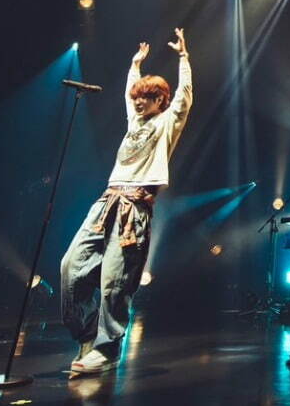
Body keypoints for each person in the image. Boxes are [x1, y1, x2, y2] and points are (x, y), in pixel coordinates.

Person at [61, 29, 193, 375]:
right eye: (137, 98)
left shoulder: (167, 122)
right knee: (71, 268)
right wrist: (135, 66)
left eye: (145, 98)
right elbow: (126, 95)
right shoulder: (135, 121)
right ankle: (87, 334)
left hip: (134, 209)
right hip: (106, 203)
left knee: (113, 283)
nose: (137, 102)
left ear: (159, 102)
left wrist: (183, 58)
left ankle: (106, 350)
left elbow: (185, 97)